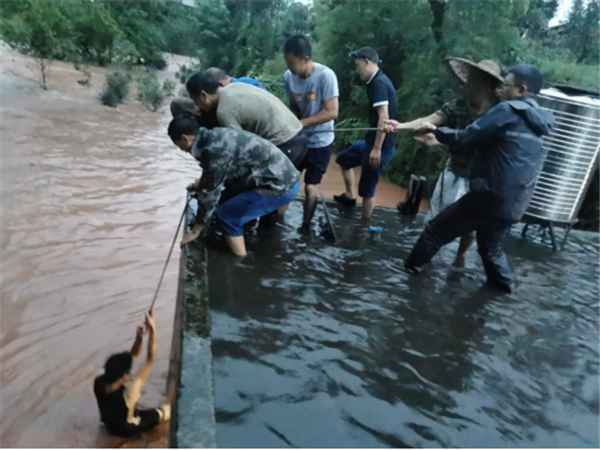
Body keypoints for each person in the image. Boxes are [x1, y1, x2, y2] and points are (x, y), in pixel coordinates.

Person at [398, 64, 553, 293]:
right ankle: (503, 291)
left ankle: (407, 282)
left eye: (506, 84)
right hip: (516, 202)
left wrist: (436, 131)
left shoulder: (508, 110)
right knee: (491, 249)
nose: (501, 88)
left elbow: (468, 136)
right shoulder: (539, 120)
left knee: (435, 231)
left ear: (521, 89)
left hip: (489, 196)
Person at [384, 57, 503, 267]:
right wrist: (400, 126)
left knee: (470, 226)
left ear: (487, 86)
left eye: (473, 80)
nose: (467, 84)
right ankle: (428, 259)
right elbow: (430, 121)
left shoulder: (499, 113)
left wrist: (438, 141)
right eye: (469, 79)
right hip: (454, 170)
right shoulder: (458, 105)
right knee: (436, 218)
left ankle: (460, 258)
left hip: (479, 176)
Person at [167, 116, 301, 257]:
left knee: (226, 216)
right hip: (286, 177)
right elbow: (217, 172)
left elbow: (209, 194)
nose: (181, 150)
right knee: (225, 203)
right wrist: (200, 184)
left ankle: (239, 264)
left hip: (280, 187)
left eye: (178, 145)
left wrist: (195, 230)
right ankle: (246, 230)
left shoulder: (212, 151)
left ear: (185, 139)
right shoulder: (214, 135)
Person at [185, 71, 307, 171]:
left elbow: (239, 148)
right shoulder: (234, 86)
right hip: (299, 134)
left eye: (196, 102)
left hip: (286, 143)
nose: (197, 107)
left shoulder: (224, 111)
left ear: (203, 95)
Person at [333, 47, 398, 222]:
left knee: (367, 191)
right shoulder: (376, 81)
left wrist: (376, 149)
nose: (357, 69)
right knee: (343, 160)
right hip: (370, 142)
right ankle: (349, 196)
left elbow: (384, 117)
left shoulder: (378, 83)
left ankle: (363, 225)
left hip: (380, 146)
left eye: (357, 65)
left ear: (367, 62)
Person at [283, 35, 340, 231]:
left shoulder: (326, 76)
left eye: (292, 63)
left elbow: (332, 111)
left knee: (310, 186)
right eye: (287, 63)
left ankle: (305, 227)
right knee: (286, 180)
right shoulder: (287, 77)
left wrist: (302, 123)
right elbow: (293, 108)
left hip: (321, 141)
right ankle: (275, 221)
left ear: (305, 58)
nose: (290, 68)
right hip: (299, 140)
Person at [94, 308, 170, 437]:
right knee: (166, 411)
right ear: (123, 376)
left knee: (128, 409)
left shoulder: (99, 382)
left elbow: (131, 355)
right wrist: (153, 330)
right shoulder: (131, 389)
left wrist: (139, 338)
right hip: (127, 428)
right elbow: (150, 359)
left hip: (110, 425)